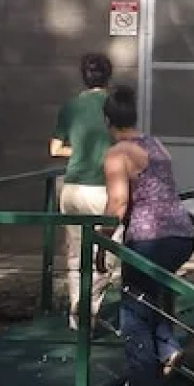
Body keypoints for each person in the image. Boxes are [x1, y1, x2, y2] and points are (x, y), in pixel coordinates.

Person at [100, 83, 194, 386]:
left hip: (148, 240)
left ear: (108, 122)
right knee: (148, 297)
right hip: (181, 236)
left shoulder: (117, 154)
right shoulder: (157, 145)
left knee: (133, 319)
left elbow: (118, 204)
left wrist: (98, 237)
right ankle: (168, 348)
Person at [51, 52, 115, 330]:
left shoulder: (70, 106)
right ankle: (87, 307)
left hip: (72, 187)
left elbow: (54, 149)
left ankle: (77, 317)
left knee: (76, 252)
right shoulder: (115, 106)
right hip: (102, 189)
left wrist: (81, 152)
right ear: (108, 75)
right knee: (106, 256)